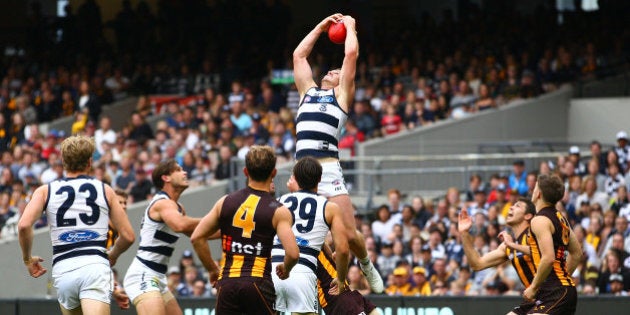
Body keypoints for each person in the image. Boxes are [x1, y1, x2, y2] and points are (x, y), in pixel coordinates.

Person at [292, 13, 383, 293]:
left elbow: (351, 52)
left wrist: (351, 26)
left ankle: (366, 264)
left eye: (337, 70)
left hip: (328, 169)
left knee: (348, 232)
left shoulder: (341, 96)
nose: (332, 70)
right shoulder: (306, 91)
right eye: (330, 70)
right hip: (301, 169)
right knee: (305, 235)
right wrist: (320, 27)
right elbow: (298, 55)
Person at [18, 135, 135, 315]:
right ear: (89, 162)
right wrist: (113, 254)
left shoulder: (45, 191)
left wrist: (27, 259)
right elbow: (128, 236)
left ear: (63, 161)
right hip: (94, 265)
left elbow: (24, 225)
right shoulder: (105, 190)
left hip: (64, 268)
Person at [190, 145, 299, 314]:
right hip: (257, 283)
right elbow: (293, 253)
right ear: (274, 173)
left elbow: (197, 237)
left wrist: (212, 269)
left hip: (227, 283)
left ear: (245, 171)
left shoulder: (225, 202)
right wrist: (286, 268)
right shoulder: (278, 210)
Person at [271, 157, 349, 314]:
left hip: (273, 270)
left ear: (295, 178)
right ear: (320, 179)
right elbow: (342, 249)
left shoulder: (278, 202)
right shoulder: (329, 208)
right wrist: (340, 278)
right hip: (303, 272)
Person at [123, 159, 201, 315]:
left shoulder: (177, 207)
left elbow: (199, 233)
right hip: (142, 275)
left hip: (158, 277)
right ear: (166, 178)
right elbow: (180, 225)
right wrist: (217, 218)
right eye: (179, 170)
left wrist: (230, 229)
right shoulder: (162, 203)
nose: (185, 172)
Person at [459, 197, 537, 314]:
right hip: (532, 300)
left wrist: (512, 245)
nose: (511, 207)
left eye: (518, 206)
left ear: (527, 216)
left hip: (551, 295)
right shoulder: (508, 245)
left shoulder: (535, 234)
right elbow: (477, 264)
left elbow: (542, 252)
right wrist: (464, 234)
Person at [524, 174, 582, 314]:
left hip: (556, 292)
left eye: (535, 187)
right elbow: (577, 253)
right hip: (563, 290)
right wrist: (562, 277)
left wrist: (533, 287)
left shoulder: (539, 220)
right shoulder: (560, 218)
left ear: (539, 193)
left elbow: (548, 257)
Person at [316, 243, 379, 315]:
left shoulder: (317, 240)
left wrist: (334, 261)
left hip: (347, 293)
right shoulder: (305, 250)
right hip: (335, 298)